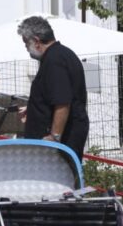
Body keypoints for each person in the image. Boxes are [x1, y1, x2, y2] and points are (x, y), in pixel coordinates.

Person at [17, 16, 89, 161]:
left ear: (36, 41)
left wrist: (54, 137)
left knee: (58, 182)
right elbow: (54, 95)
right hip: (63, 138)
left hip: (58, 143)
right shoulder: (62, 54)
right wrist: (33, 108)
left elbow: (62, 102)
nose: (26, 49)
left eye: (26, 44)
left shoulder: (54, 61)